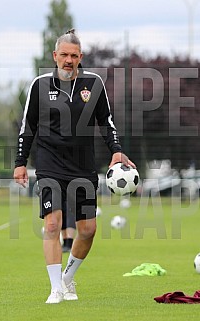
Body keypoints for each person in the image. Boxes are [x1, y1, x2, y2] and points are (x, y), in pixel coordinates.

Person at [13, 29, 135, 304]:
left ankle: (67, 279)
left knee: (88, 229)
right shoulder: (39, 85)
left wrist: (116, 151)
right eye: (64, 55)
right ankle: (55, 288)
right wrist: (20, 162)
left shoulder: (94, 84)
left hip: (82, 164)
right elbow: (27, 127)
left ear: (81, 57)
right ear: (54, 56)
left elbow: (106, 122)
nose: (68, 60)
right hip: (49, 162)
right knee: (53, 223)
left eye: (74, 55)